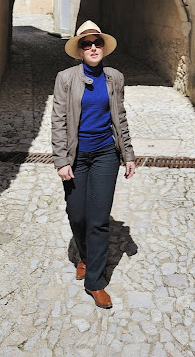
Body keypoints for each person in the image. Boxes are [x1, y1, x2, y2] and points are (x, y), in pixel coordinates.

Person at [51, 20, 136, 309]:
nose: (93, 48)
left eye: (97, 42)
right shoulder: (65, 78)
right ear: (79, 50)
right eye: (86, 44)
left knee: (98, 221)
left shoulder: (114, 78)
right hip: (76, 157)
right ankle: (84, 256)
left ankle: (95, 282)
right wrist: (61, 160)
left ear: (104, 47)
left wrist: (128, 155)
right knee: (77, 216)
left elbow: (120, 118)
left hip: (104, 156)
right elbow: (59, 122)